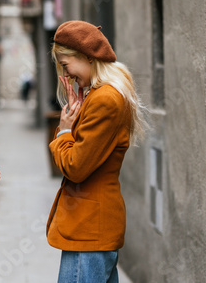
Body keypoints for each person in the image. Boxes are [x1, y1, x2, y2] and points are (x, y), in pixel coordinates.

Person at [47, 21, 147, 283]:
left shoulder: (105, 98)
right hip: (90, 229)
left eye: (65, 65)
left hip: (89, 230)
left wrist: (64, 132)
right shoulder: (99, 95)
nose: (66, 75)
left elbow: (75, 167)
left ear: (87, 57)